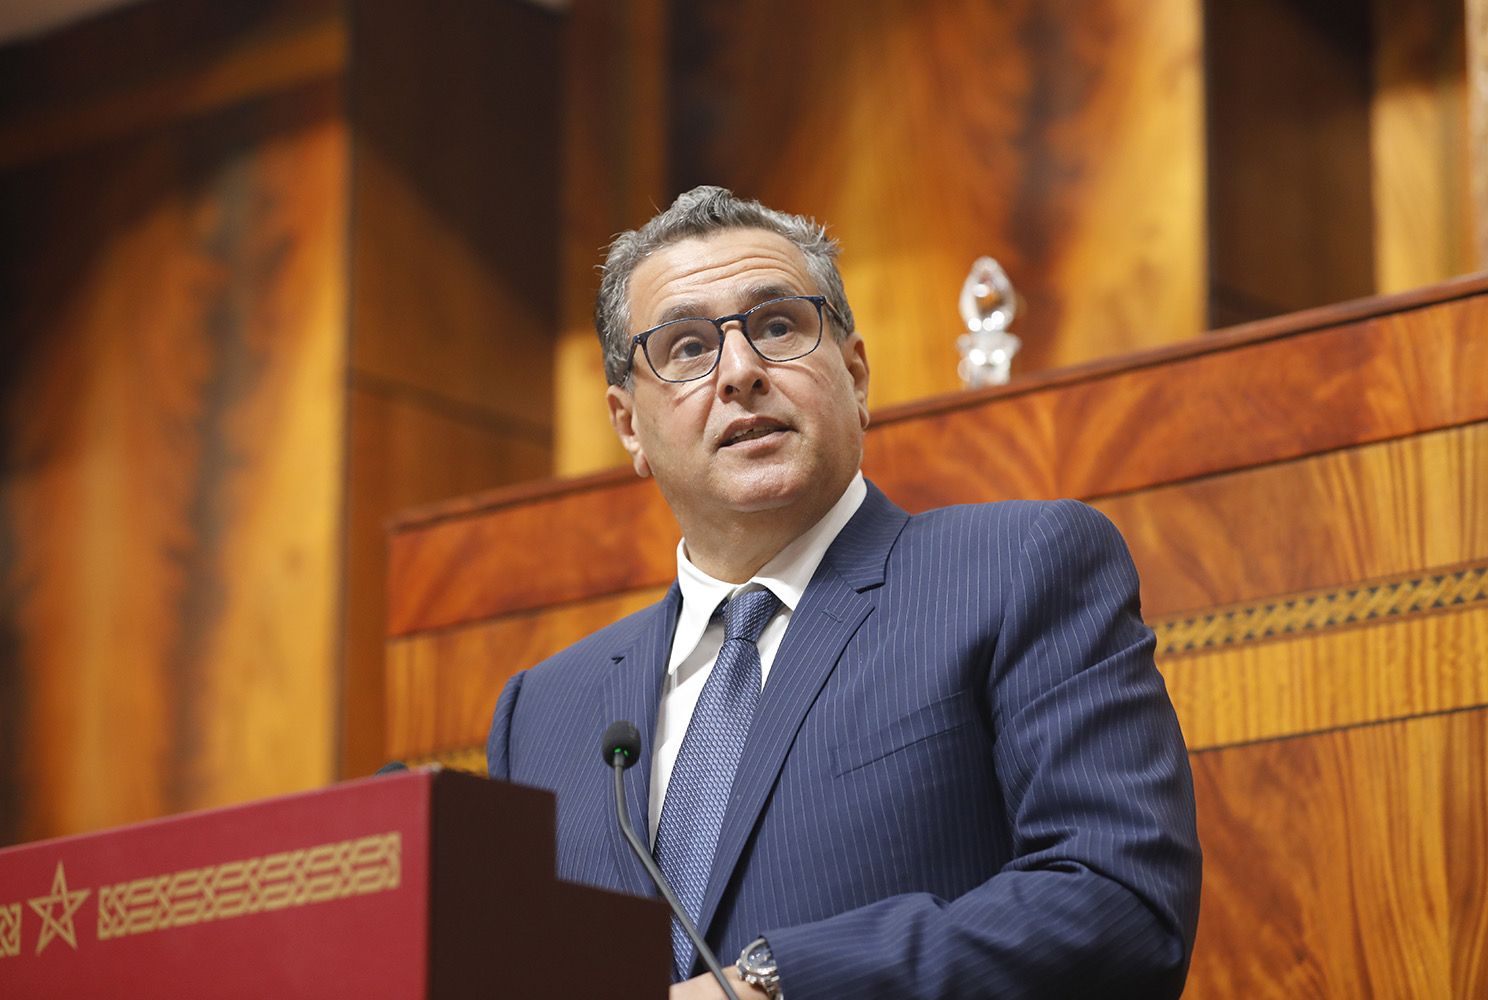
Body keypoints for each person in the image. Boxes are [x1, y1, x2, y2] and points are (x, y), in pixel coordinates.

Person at [487, 186, 1201, 999]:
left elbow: (1119, 902)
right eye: (686, 347)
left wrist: (770, 987)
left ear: (856, 375)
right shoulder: (543, 714)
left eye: (777, 327)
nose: (741, 373)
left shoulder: (1016, 570)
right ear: (628, 426)